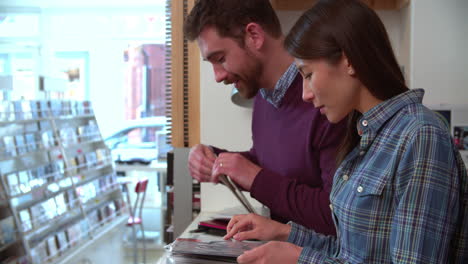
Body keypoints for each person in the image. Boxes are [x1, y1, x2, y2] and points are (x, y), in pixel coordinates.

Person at [224, 0, 468, 263]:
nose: (305, 94)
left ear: (348, 61)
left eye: (308, 74)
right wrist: (284, 233)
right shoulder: (366, 136)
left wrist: (300, 259)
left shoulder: (420, 138)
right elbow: (351, 252)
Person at [183, 0, 345, 235]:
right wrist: (214, 159)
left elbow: (336, 215)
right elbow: (275, 165)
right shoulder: (263, 97)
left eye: (220, 59)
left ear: (254, 36)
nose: (217, 77)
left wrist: (255, 178)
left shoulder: (324, 100)